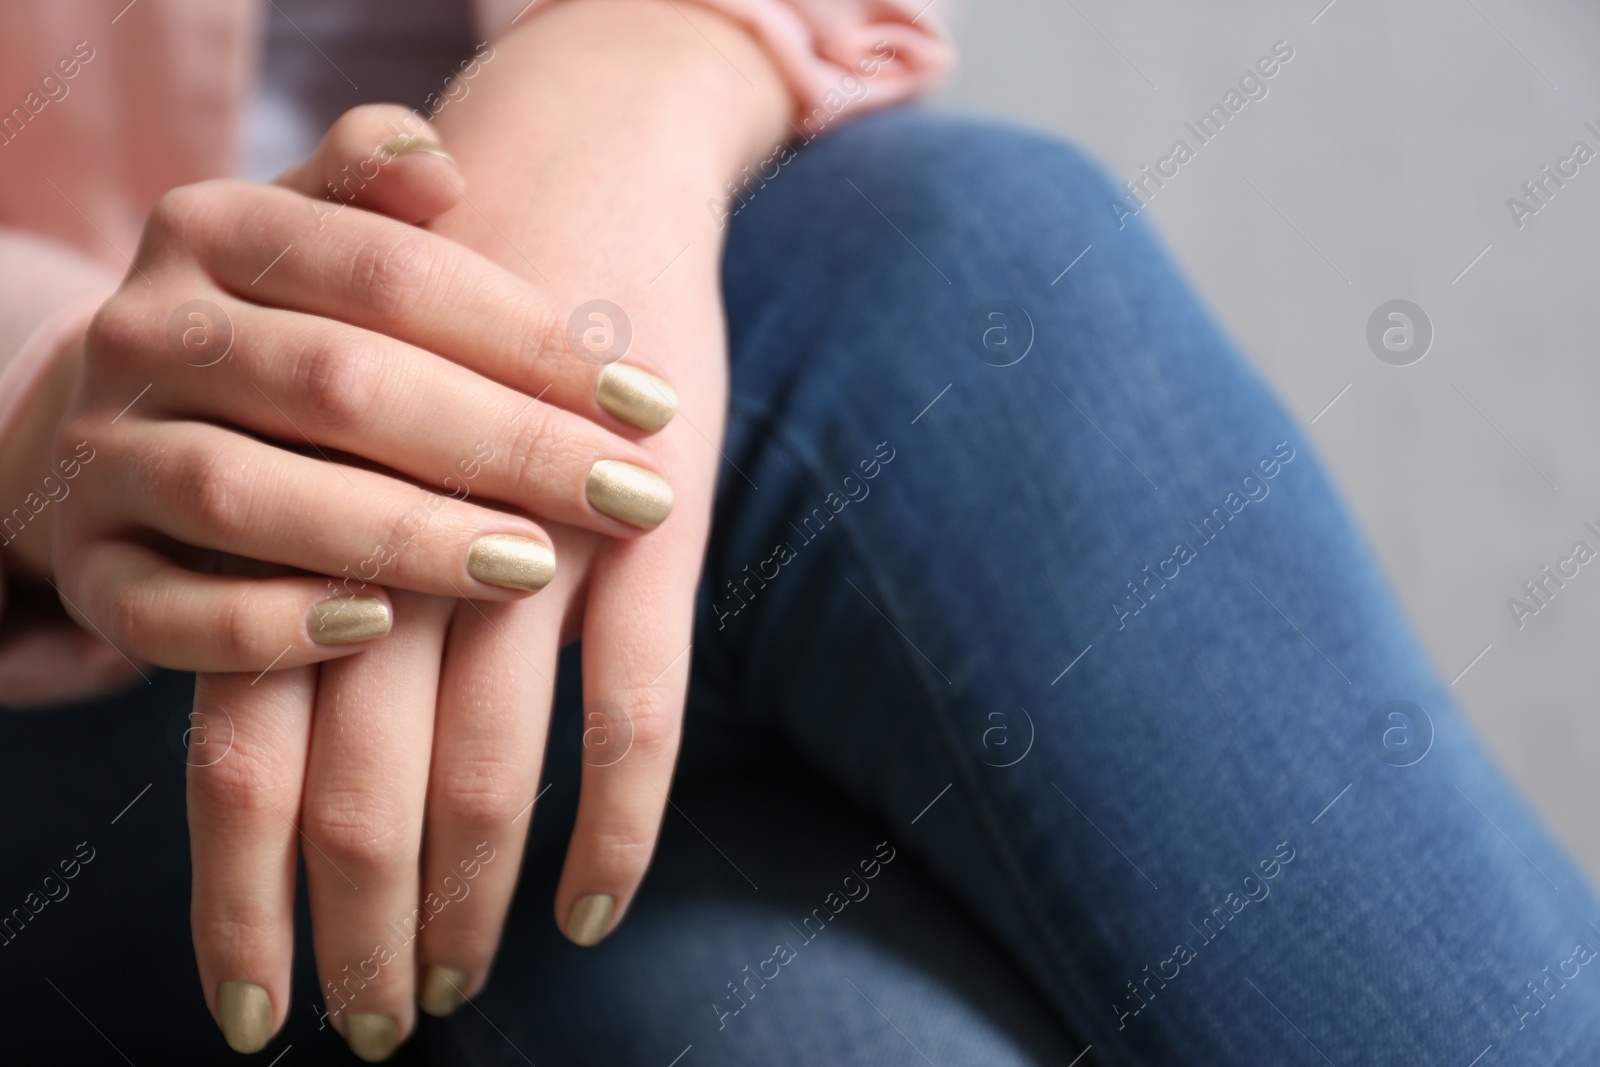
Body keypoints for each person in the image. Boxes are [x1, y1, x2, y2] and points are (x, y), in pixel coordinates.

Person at [2, 1, 1598, 1063]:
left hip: (656, 497)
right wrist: (38, 413)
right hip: (76, 645)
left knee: (770, 1009)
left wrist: (643, 65)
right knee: (936, 271)